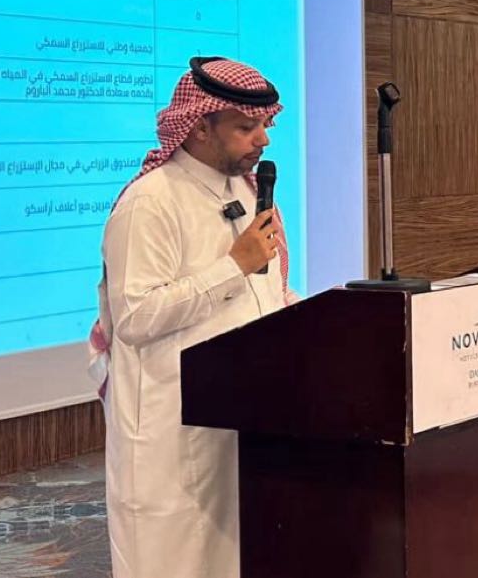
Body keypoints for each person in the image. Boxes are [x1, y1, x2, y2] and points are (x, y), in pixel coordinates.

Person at [87, 56, 300, 578]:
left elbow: (267, 293)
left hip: (243, 417)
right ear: (200, 126)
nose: (263, 140)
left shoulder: (248, 193)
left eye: (265, 125)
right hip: (172, 432)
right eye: (246, 127)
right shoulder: (150, 203)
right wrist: (232, 268)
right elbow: (136, 317)